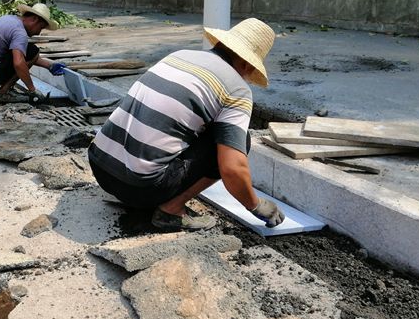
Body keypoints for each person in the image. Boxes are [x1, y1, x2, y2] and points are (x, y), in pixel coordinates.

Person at [88, 17, 285, 232]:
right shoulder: (237, 90)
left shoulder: (179, 56)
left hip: (100, 169)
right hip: (138, 187)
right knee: (235, 140)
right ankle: (171, 211)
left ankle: (148, 185)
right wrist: (255, 204)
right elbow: (232, 168)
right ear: (247, 64)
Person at [0, 3, 68, 104]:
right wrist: (33, 90)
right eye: (40, 28)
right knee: (32, 50)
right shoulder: (19, 32)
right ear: (35, 19)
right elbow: (19, 63)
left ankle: (5, 91)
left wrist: (50, 66)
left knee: (29, 51)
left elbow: (24, 56)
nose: (38, 33)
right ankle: (3, 93)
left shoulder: (8, 19)